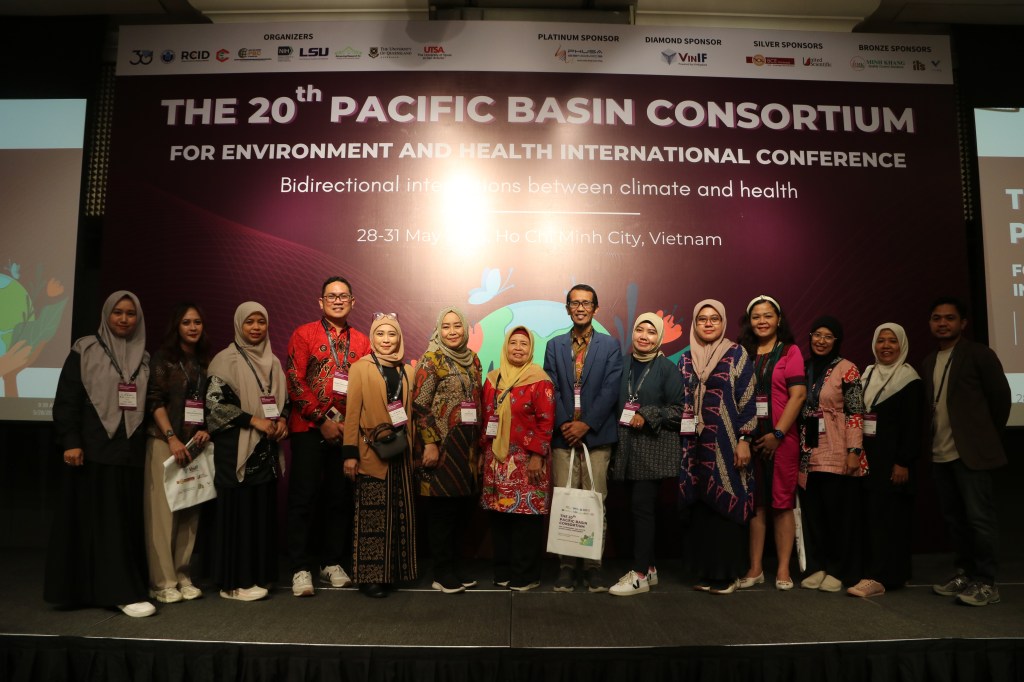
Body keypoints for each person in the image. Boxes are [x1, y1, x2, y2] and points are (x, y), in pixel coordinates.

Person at [45, 290, 154, 617]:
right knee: (96, 523)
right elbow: (67, 399)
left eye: (130, 314)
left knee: (122, 522)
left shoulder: (144, 356)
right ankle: (111, 592)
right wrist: (71, 441)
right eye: (118, 312)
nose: (124, 319)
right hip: (92, 449)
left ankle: (119, 588)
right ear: (106, 315)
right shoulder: (85, 349)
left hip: (130, 452)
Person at [285, 277, 371, 597]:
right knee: (303, 498)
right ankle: (300, 567)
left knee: (339, 498)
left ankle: (331, 562)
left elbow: (366, 386)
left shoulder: (362, 341)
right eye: (331, 296)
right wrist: (321, 419)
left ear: (353, 302)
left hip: (346, 431)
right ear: (320, 302)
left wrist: (349, 427)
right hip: (309, 428)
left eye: (343, 296)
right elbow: (295, 380)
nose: (337, 300)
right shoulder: (304, 334)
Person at [923, 297, 1010, 607]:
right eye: (936, 318)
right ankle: (965, 573)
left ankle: (987, 582)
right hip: (940, 453)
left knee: (979, 520)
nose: (942, 323)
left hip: (971, 455)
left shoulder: (979, 354)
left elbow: (1000, 399)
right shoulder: (929, 361)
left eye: (949, 318)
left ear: (963, 323)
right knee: (955, 520)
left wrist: (983, 438)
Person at [206, 302, 289, 601]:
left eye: (261, 322)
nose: (255, 327)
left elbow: (285, 402)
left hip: (265, 448)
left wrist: (282, 422)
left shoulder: (273, 362)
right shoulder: (224, 360)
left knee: (260, 513)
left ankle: (258, 575)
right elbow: (215, 406)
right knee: (238, 515)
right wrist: (255, 421)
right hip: (235, 448)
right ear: (238, 325)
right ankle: (233, 583)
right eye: (249, 322)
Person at [543, 284, 622, 593]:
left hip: (597, 437)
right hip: (563, 437)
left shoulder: (610, 345)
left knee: (594, 502)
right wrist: (566, 423)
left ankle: (592, 567)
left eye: (586, 303)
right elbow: (552, 387)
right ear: (567, 309)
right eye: (574, 303)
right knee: (565, 502)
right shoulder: (554, 345)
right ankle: (566, 567)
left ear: (595, 309)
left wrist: (586, 424)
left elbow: (611, 389)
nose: (580, 308)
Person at [678, 300, 757, 595]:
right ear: (695, 324)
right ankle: (707, 571)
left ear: (723, 322)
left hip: (727, 445)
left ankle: (727, 574)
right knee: (701, 510)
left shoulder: (736, 354)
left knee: (725, 506)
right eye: (702, 319)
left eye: (714, 319)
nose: (708, 323)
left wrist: (745, 439)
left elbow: (747, 400)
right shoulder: (686, 359)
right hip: (693, 447)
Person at [608, 313, 684, 596]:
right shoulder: (621, 363)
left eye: (651, 332)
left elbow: (679, 411)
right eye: (640, 329)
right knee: (636, 509)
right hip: (625, 449)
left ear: (659, 337)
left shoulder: (667, 369)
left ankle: (639, 575)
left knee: (642, 510)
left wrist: (647, 414)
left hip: (652, 451)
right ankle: (650, 568)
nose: (644, 336)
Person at [342, 313, 418, 598]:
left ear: (399, 338)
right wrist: (350, 454)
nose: (386, 340)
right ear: (372, 337)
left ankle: (392, 574)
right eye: (380, 334)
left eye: (392, 334)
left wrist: (416, 450)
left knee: (398, 515)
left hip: (402, 453)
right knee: (373, 517)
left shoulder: (408, 371)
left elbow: (412, 414)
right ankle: (371, 578)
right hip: (371, 452)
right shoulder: (360, 368)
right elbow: (352, 413)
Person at [847, 323, 923, 598]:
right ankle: (874, 572)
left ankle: (883, 577)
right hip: (869, 460)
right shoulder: (867, 374)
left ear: (902, 345)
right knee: (871, 517)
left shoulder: (909, 379)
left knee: (889, 519)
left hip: (893, 463)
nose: (886, 346)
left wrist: (903, 461)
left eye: (892, 341)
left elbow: (914, 426)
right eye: (881, 341)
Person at [736, 295, 806, 591]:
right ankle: (755, 569)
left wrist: (778, 434)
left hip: (782, 439)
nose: (762, 321)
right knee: (757, 505)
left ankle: (783, 569)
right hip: (750, 438)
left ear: (778, 320)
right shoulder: (743, 353)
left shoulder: (790, 351)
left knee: (782, 503)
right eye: (756, 317)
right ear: (749, 322)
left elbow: (798, 396)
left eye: (768, 315)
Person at [412, 306, 483, 594]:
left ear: (465, 329)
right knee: (442, 511)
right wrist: (430, 442)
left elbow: (478, 402)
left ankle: (454, 566)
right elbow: (419, 405)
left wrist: (479, 448)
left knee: (461, 509)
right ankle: (441, 573)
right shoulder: (432, 359)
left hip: (467, 447)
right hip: (441, 447)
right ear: (438, 330)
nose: (452, 331)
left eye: (457, 326)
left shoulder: (473, 360)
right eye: (446, 326)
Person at [143, 302, 211, 604]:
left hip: (194, 445)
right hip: (164, 442)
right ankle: (162, 582)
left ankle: (183, 575)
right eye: (186, 322)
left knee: (190, 511)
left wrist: (205, 429)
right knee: (163, 514)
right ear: (176, 327)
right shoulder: (164, 359)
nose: (193, 327)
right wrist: (171, 437)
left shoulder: (204, 361)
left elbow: (207, 403)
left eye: (197, 322)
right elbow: (154, 400)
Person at [480, 326, 555, 591]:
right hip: (496, 459)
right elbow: (486, 418)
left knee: (527, 518)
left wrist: (537, 456)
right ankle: (503, 571)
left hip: (528, 460)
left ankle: (526, 575)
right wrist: (482, 452)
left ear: (531, 349)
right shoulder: (493, 379)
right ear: (506, 346)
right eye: (513, 343)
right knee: (499, 517)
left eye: (524, 344)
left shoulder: (539, 380)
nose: (518, 348)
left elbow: (546, 421)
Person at [796, 316, 864, 593]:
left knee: (838, 515)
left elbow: (855, 413)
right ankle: (817, 566)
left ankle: (837, 569)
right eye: (817, 335)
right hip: (808, 452)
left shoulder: (848, 369)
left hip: (837, 449)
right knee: (813, 514)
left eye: (828, 336)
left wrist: (854, 451)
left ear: (836, 341)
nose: (821, 341)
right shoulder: (804, 367)